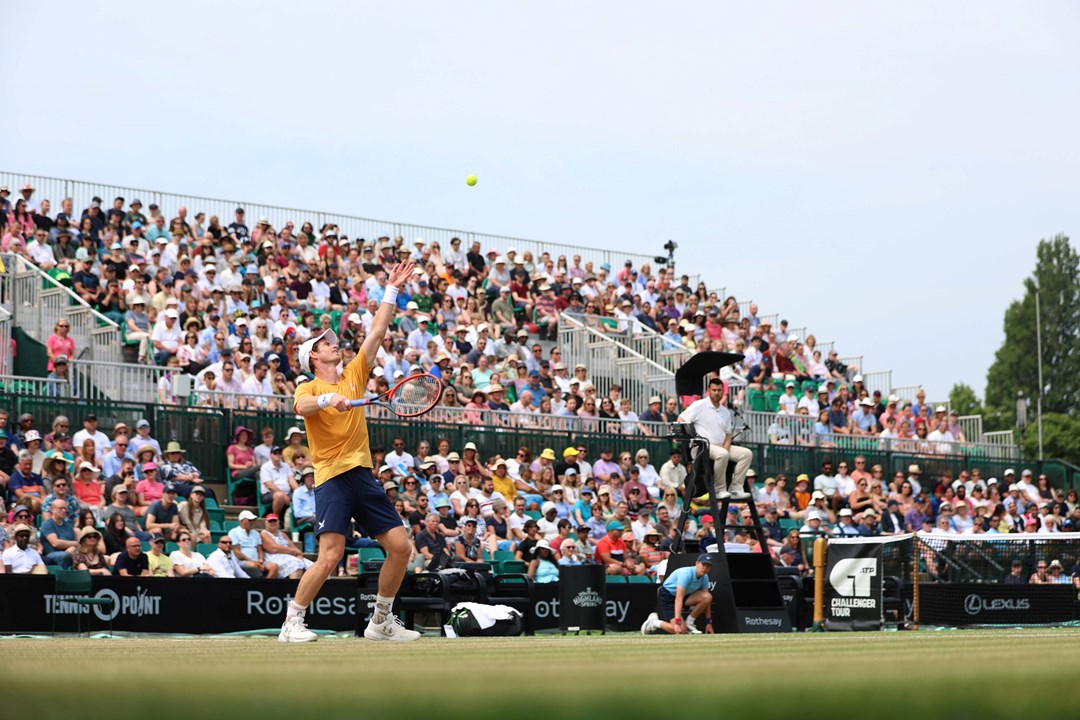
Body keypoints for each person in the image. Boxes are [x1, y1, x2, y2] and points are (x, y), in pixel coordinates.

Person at [278, 256, 420, 643]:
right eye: (325, 344)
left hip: (362, 475)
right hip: (332, 479)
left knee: (401, 548)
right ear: (313, 356)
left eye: (333, 341)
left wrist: (391, 289)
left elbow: (376, 330)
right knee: (330, 555)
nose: (333, 345)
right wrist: (328, 401)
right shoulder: (307, 387)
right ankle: (292, 623)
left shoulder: (354, 374)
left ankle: (381, 622)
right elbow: (301, 408)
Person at [677, 378, 753, 498]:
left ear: (723, 391)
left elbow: (728, 433)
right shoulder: (699, 405)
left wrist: (727, 446)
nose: (716, 393)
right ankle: (719, 489)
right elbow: (680, 420)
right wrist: (692, 436)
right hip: (701, 447)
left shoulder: (725, 411)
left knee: (746, 454)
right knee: (722, 454)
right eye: (714, 390)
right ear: (708, 390)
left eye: (719, 390)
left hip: (720, 447)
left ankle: (735, 488)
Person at [641, 553, 715, 635]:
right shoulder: (686, 574)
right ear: (697, 563)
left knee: (707, 597)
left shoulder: (705, 577)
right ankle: (654, 622)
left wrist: (709, 622)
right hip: (668, 597)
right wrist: (677, 623)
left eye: (708, 566)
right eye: (703, 564)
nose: (705, 568)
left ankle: (689, 624)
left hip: (684, 596)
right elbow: (678, 599)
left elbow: (707, 603)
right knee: (681, 631)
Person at [260, 513, 314, 579]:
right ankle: (293, 587)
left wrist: (299, 555)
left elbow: (295, 549)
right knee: (296, 564)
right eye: (270, 521)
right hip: (274, 557)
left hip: (289, 556)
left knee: (312, 566)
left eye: (275, 521)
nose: (273, 523)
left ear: (278, 522)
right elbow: (274, 548)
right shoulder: (264, 533)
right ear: (266, 523)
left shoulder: (282, 534)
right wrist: (293, 551)